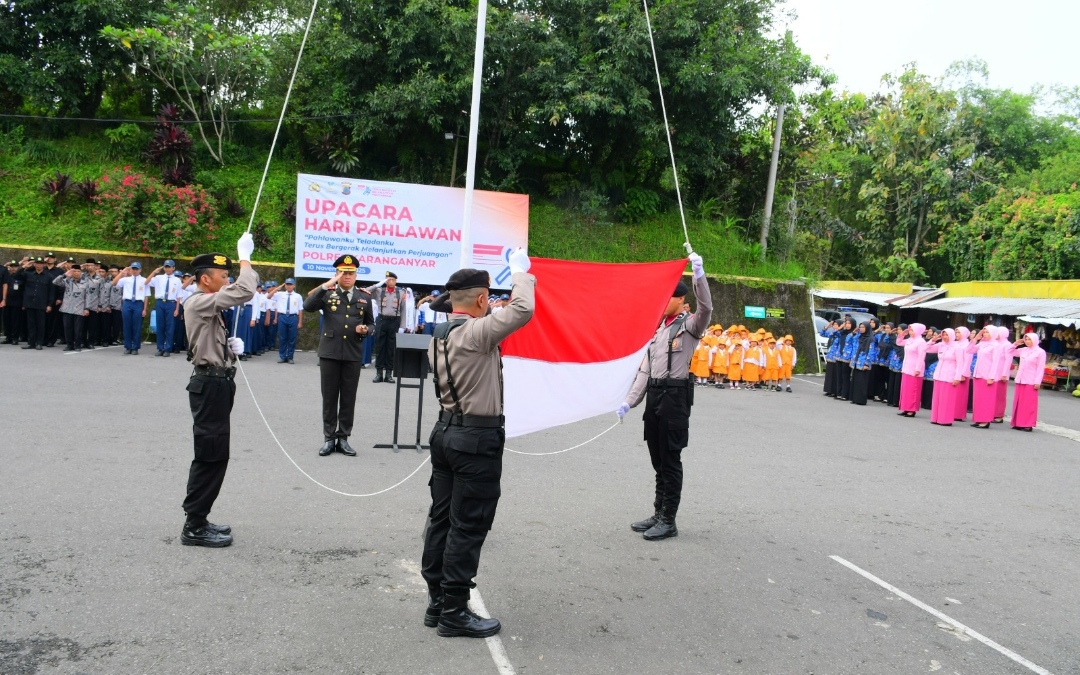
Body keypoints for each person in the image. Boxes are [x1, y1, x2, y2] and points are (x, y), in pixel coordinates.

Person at [420, 249, 534, 639]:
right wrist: (520, 272)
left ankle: (437, 600)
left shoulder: (439, 333)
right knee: (468, 525)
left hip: (445, 432)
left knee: (440, 519)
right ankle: (454, 610)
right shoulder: (477, 332)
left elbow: (457, 307)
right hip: (476, 439)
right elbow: (523, 309)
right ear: (484, 299)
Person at [617, 252, 712, 542]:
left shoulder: (689, 325)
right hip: (656, 395)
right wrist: (629, 402)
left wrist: (699, 276)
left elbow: (706, 307)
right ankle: (658, 512)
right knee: (657, 458)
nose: (664, 300)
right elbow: (645, 371)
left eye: (669, 297)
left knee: (670, 459)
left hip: (675, 396)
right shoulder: (658, 330)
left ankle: (669, 519)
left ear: (682, 301)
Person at [180, 236, 256, 547]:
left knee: (216, 454)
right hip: (209, 385)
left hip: (218, 382)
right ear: (205, 279)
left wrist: (230, 352)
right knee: (210, 455)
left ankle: (200, 518)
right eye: (223, 276)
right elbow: (245, 290)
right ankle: (193, 525)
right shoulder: (198, 301)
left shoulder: (209, 305)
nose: (228, 281)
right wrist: (245, 259)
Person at [304, 255, 375, 457]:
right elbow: (308, 306)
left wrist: (366, 330)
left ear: (356, 275)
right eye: (343, 273)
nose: (347, 277)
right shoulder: (328, 293)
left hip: (353, 353)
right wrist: (328, 284)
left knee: (348, 397)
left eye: (351, 273)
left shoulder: (365, 297)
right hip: (330, 352)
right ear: (337, 274)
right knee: (329, 396)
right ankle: (329, 438)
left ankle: (343, 438)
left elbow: (372, 325)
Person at [366, 271, 407, 382]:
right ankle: (379, 373)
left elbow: (403, 310)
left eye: (393, 279)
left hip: (394, 322)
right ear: (385, 281)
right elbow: (366, 291)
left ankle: (389, 374)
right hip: (382, 320)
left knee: (391, 348)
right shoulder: (379, 291)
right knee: (380, 347)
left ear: (396, 281)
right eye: (388, 279)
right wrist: (378, 284)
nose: (391, 281)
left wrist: (403, 325)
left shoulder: (401, 293)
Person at [1006, 333, 1046, 432]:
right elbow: (1009, 352)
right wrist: (1015, 344)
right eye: (1026, 339)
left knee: (1029, 403)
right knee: (1019, 402)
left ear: (1035, 340)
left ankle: (1027, 424)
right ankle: (1018, 422)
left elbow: (1040, 368)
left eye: (1030, 339)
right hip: (1020, 379)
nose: (1028, 341)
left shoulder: (1040, 352)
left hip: (1031, 381)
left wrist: (1037, 381)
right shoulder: (1023, 350)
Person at [14, 256, 53, 350]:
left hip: (41, 304)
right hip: (30, 303)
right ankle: (31, 343)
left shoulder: (49, 276)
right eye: (37, 263)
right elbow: (16, 276)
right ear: (34, 264)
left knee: (40, 325)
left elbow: (51, 292)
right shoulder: (28, 274)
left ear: (43, 265)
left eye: (41, 263)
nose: (39, 265)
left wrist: (49, 304)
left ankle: (39, 343)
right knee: (31, 325)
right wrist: (25, 266)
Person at [112, 262, 149, 354]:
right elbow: (114, 283)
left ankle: (135, 347)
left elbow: (146, 296)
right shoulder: (126, 279)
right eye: (133, 269)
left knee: (136, 326)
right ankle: (128, 346)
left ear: (140, 270)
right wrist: (122, 272)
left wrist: (144, 309)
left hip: (138, 303)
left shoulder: (144, 280)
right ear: (130, 270)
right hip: (127, 302)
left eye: (137, 269)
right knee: (127, 325)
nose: (135, 271)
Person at [146, 260, 181, 357]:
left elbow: (179, 296)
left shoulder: (177, 280)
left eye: (170, 267)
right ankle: (160, 347)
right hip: (160, 302)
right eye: (166, 267)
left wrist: (177, 309)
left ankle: (168, 348)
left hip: (171, 303)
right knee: (160, 326)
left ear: (173, 268)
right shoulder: (158, 277)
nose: (168, 269)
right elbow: (146, 282)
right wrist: (154, 272)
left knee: (170, 327)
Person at [52, 263, 89, 351]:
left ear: (81, 272)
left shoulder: (85, 283)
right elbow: (55, 282)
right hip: (67, 308)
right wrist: (65, 274)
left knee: (78, 329)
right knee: (67, 328)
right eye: (74, 271)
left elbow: (87, 297)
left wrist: (86, 308)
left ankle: (77, 345)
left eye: (78, 271)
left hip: (79, 309)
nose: (76, 273)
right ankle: (69, 344)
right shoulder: (67, 281)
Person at [926, 328, 960, 426]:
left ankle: (945, 419)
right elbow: (926, 348)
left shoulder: (957, 347)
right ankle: (936, 418)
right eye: (943, 335)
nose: (945, 337)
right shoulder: (940, 345)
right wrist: (933, 340)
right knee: (937, 398)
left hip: (950, 376)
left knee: (947, 399)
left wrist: (957, 377)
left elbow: (960, 363)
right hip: (939, 375)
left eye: (947, 335)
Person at [968, 327, 999, 429]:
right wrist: (975, 339)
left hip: (987, 376)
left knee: (986, 399)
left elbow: (995, 363)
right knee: (978, 399)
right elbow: (969, 350)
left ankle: (985, 420)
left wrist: (991, 377)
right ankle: (978, 419)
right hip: (978, 374)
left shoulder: (996, 345)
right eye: (984, 332)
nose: (985, 334)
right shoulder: (982, 343)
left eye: (987, 332)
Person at [895, 323, 928, 417]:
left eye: (912, 330)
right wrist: (902, 335)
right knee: (905, 389)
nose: (910, 332)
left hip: (915, 369)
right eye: (910, 330)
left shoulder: (921, 342)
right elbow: (899, 342)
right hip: (906, 367)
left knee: (913, 390)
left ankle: (912, 409)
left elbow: (922, 356)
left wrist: (918, 369)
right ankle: (905, 408)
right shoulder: (909, 340)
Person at [272, 278, 303, 363]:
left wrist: (300, 322)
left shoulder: (298, 296)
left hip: (293, 317)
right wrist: (277, 288)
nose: (289, 286)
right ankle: (282, 356)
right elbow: (269, 296)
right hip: (282, 316)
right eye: (287, 284)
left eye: (290, 284)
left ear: (294, 285)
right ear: (285, 285)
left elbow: (300, 309)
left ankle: (290, 357)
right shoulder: (279, 294)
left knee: (292, 338)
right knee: (282, 337)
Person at [849, 322, 874, 405]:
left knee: (862, 382)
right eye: (860, 327)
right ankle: (854, 398)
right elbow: (852, 340)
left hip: (864, 363)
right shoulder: (859, 337)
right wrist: (855, 332)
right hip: (857, 362)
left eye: (863, 327)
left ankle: (861, 400)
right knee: (855, 381)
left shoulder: (870, 339)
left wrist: (867, 363)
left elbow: (871, 352)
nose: (861, 329)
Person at [992, 326, 1012, 424]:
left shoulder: (1007, 345)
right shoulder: (995, 344)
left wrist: (1004, 374)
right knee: (992, 394)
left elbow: (1008, 360)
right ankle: (992, 412)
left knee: (1000, 395)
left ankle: (999, 415)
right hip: (993, 372)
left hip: (1001, 373)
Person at [3, 260, 26, 344]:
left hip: (17, 302)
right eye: (12, 266)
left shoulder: (21, 275)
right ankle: (8, 337)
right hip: (7, 301)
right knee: (7, 320)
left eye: (15, 266)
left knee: (16, 321)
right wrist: (5, 266)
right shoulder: (6, 275)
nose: (13, 268)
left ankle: (15, 338)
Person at [953, 327, 972, 422]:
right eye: (956, 332)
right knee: (953, 394)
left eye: (959, 333)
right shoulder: (955, 343)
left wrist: (963, 373)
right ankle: (952, 412)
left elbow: (967, 361)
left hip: (962, 372)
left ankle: (959, 414)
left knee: (960, 395)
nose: (956, 334)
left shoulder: (967, 345)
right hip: (953, 371)